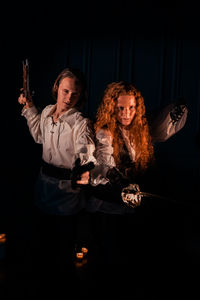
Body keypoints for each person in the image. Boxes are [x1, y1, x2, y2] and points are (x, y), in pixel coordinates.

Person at [85, 81, 188, 296]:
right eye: (121, 108)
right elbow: (100, 168)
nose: (126, 113)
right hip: (107, 210)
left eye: (131, 107)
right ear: (112, 107)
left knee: (130, 263)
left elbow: (160, 129)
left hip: (130, 208)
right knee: (108, 266)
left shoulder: (138, 131)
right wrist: (114, 178)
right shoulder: (105, 133)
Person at [17, 67, 96, 296]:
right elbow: (38, 135)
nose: (69, 97)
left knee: (63, 251)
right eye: (65, 91)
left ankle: (63, 290)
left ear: (81, 95)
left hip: (66, 194)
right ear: (57, 88)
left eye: (75, 93)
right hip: (44, 187)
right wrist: (29, 106)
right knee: (42, 244)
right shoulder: (47, 113)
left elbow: (86, 149)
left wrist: (85, 167)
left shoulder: (80, 122)